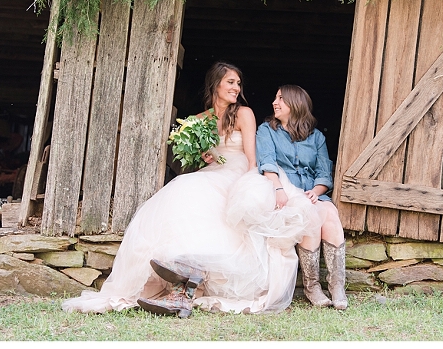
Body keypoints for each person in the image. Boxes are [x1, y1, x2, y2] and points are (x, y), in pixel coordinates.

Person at [61, 62, 321, 317]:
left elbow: (252, 159)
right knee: (183, 189)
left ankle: (187, 285)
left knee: (205, 195)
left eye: (238, 83)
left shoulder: (244, 113)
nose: (236, 87)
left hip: (240, 172)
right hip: (213, 172)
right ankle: (179, 273)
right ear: (216, 84)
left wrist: (249, 184)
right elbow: (196, 159)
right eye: (230, 82)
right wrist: (205, 156)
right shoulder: (199, 120)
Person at [256, 84, 348, 310]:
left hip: (312, 194)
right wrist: (279, 190)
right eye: (275, 98)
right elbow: (267, 163)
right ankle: (312, 287)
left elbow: (324, 173)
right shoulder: (266, 130)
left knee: (330, 214)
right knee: (311, 218)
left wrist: (315, 192)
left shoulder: (316, 137)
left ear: (295, 105)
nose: (274, 103)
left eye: (280, 99)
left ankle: (337, 286)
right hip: (285, 192)